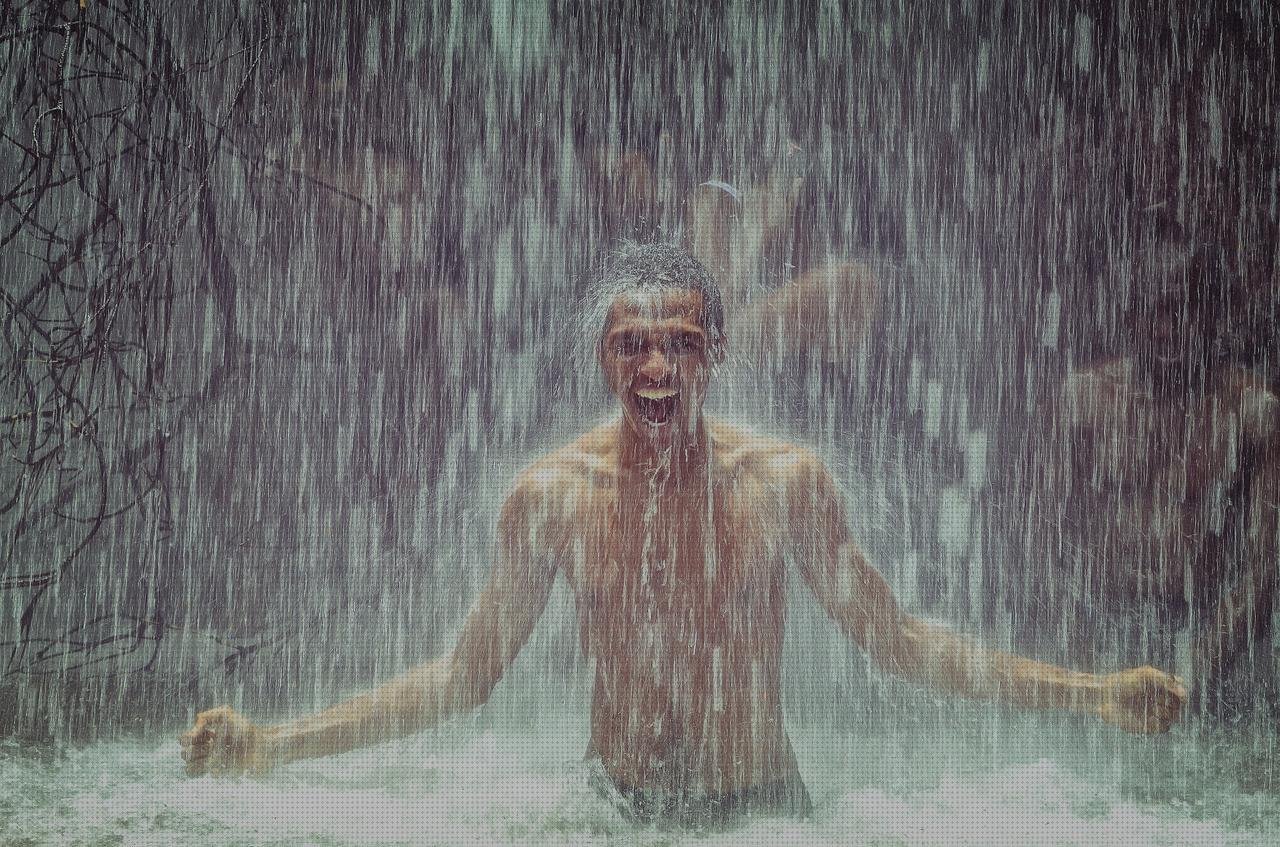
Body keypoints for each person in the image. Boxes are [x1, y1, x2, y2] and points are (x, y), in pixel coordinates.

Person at [181, 243, 1186, 827]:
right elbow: (460, 676)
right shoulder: (551, 495)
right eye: (631, 344)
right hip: (610, 815)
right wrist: (277, 743)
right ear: (601, 358)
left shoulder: (784, 482)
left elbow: (901, 641)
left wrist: (1089, 693)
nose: (653, 366)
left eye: (678, 343)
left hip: (763, 818)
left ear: (715, 355)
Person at [1021, 241, 1278, 716]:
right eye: (1150, 311)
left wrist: (1187, 678)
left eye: (1183, 310)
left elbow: (1263, 574)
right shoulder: (1087, 400)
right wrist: (1096, 678)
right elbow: (1042, 547)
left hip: (1208, 635)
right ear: (1127, 317)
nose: (1166, 328)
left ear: (1213, 317)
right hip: (1098, 623)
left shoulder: (1252, 414)